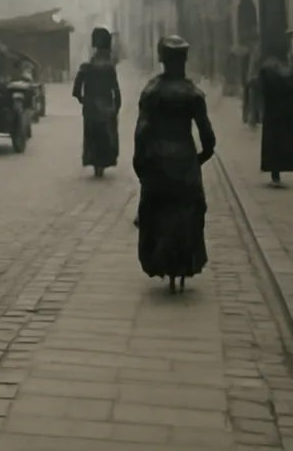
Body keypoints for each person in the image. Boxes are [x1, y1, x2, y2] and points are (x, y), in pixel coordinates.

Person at [133, 35, 216, 294]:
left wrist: (140, 162)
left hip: (157, 160)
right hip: (185, 158)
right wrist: (198, 160)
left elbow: (141, 132)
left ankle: (158, 259)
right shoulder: (193, 94)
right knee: (191, 210)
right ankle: (185, 261)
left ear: (161, 59)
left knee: (153, 209)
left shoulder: (152, 91)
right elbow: (208, 139)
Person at [72, 26, 122, 177]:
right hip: (107, 107)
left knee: (92, 135)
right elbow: (116, 90)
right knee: (107, 135)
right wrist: (117, 106)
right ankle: (104, 161)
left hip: (91, 107)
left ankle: (94, 163)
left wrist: (83, 100)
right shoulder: (110, 68)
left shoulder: (86, 67)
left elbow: (76, 90)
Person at [259, 51, 293, 186]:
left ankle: (274, 172)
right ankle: (277, 171)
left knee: (272, 143)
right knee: (282, 143)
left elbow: (262, 90)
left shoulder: (266, 69)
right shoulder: (289, 70)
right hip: (286, 114)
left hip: (272, 113)